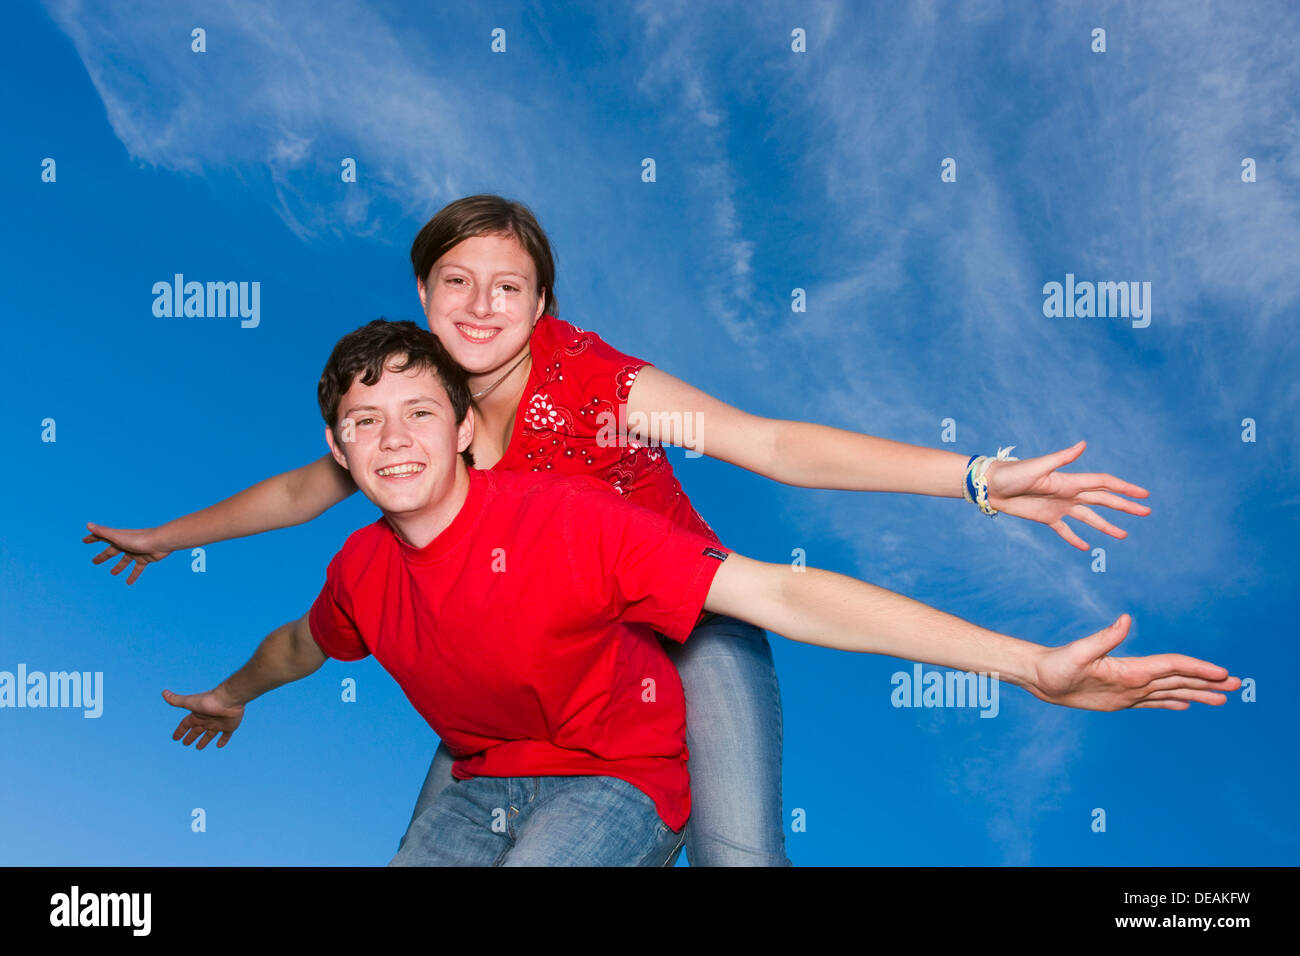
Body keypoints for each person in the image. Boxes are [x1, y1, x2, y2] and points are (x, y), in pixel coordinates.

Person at [84, 195, 1154, 867]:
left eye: (509, 286)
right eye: (456, 282)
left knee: (734, 843)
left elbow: (770, 447)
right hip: (550, 666)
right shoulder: (418, 408)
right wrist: (170, 538)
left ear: (543, 300)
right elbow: (303, 492)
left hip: (689, 605)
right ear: (423, 290)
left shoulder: (594, 386)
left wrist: (975, 477)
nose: (481, 304)